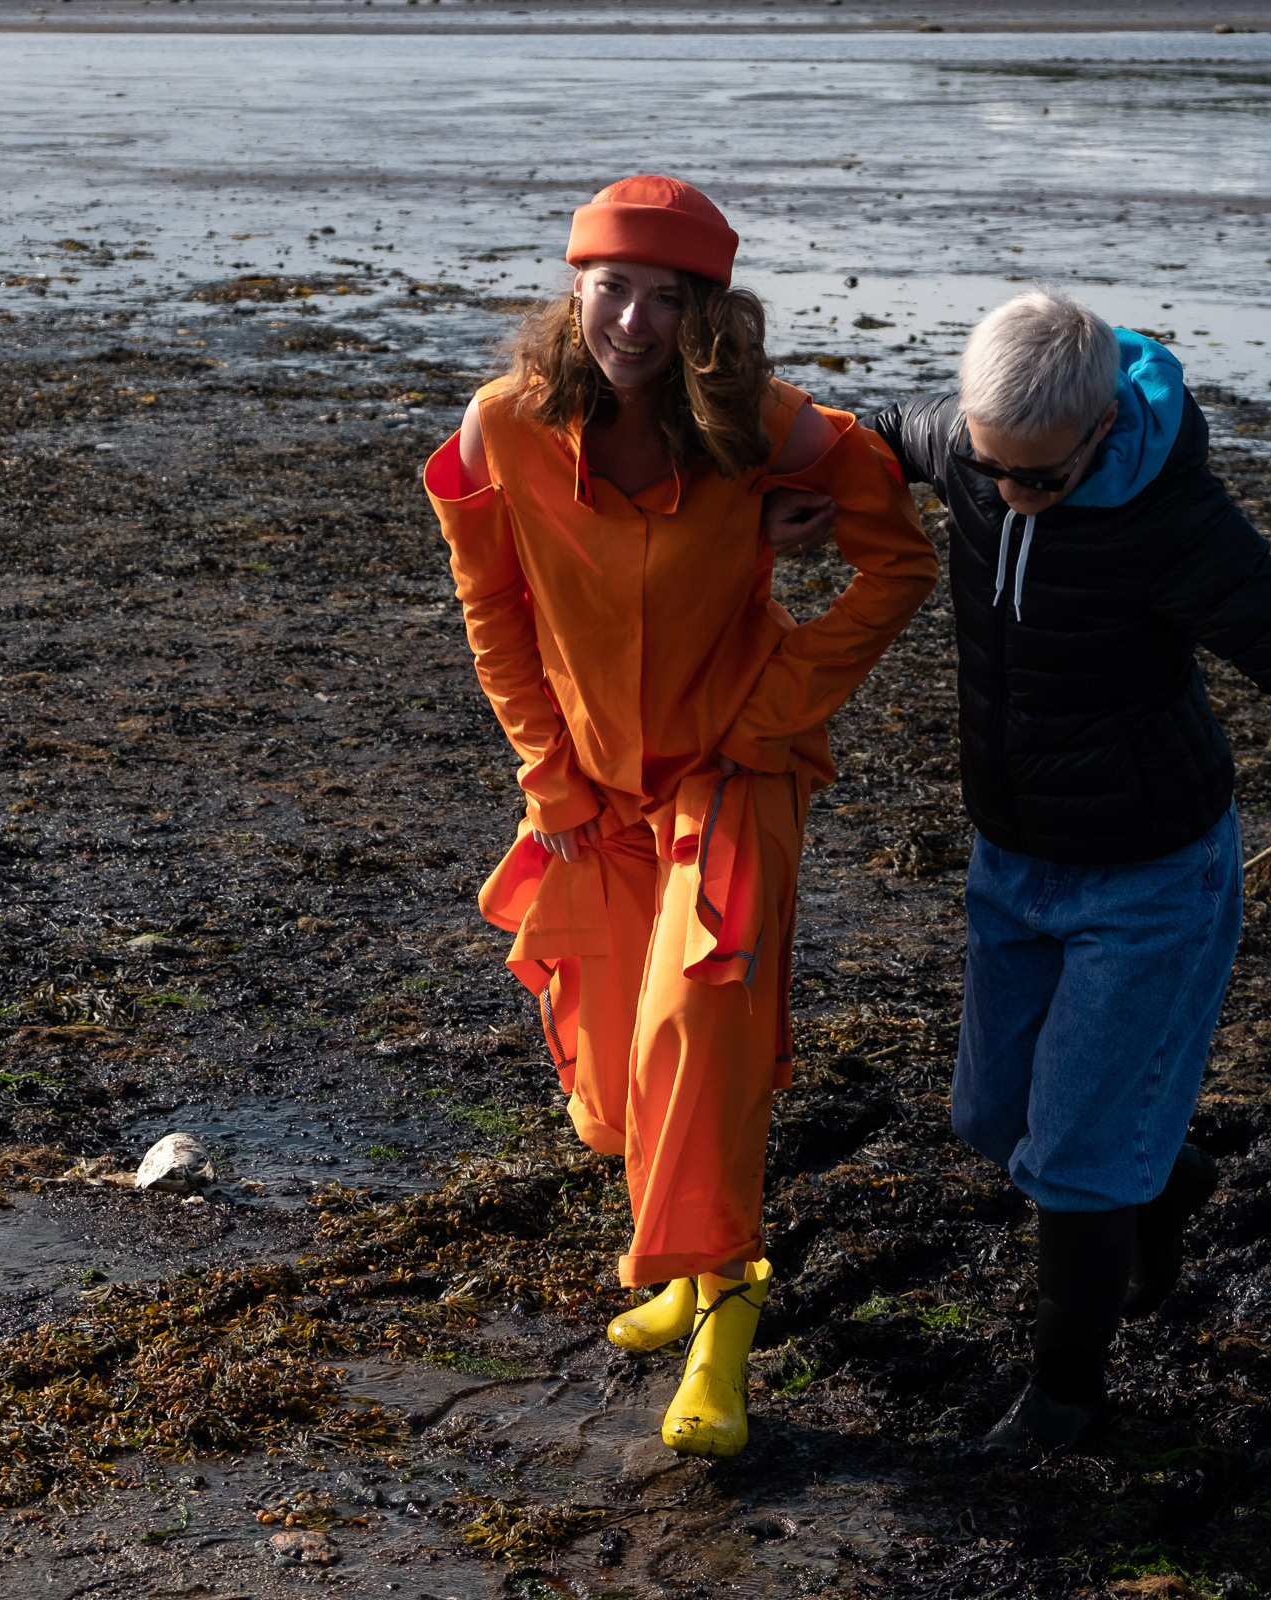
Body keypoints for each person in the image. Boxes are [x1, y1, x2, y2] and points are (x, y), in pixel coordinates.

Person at [763, 288, 1271, 1449]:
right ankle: (1161, 1182)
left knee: (1071, 1158)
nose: (1008, 494)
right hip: (1013, 856)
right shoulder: (978, 445)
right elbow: (870, 426)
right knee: (993, 1118)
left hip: (1151, 875)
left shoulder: (1176, 525)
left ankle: (1067, 1391)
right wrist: (819, 496)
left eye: (1037, 479)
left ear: (1101, 434)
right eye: (991, 470)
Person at [426, 175, 937, 1457]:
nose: (636, 323)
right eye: (615, 290)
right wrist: (547, 772)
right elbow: (495, 617)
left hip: (732, 774)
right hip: (593, 786)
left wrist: (777, 708)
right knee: (612, 1049)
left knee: (698, 1019)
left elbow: (899, 561)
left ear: (710, 309)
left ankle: (728, 1317)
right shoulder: (504, 429)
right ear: (575, 289)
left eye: (669, 299)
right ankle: (681, 1268)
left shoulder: (770, 431)